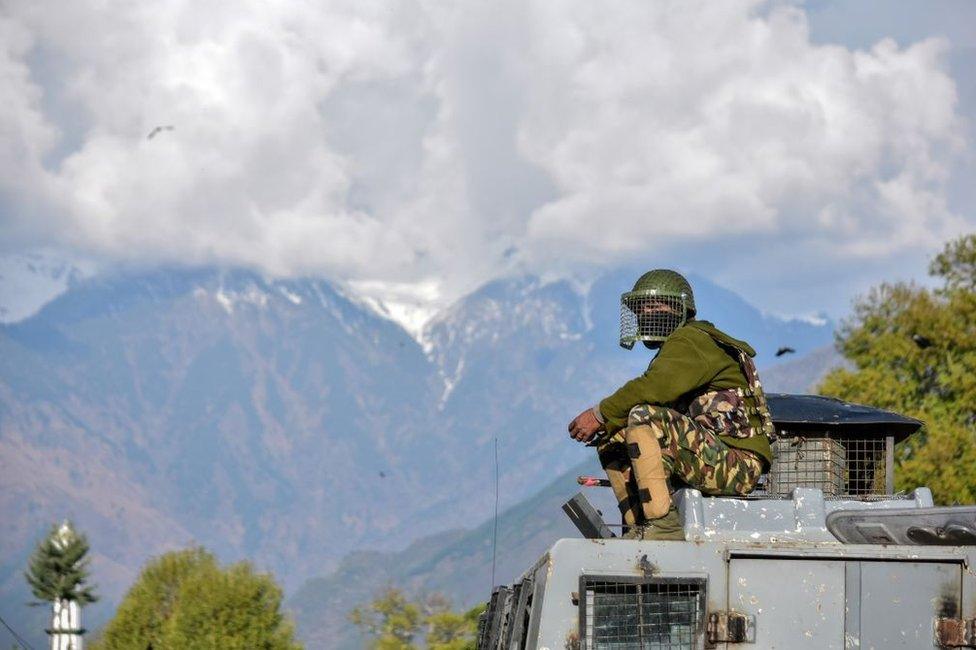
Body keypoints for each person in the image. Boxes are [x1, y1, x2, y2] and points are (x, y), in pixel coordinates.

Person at [567, 269, 775, 540]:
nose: (646, 314)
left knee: (643, 417)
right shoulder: (684, 345)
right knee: (613, 436)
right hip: (717, 459)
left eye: (655, 306)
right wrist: (608, 422)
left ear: (680, 309)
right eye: (641, 308)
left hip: (737, 465)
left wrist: (599, 414)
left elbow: (654, 388)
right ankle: (641, 526)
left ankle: (663, 526)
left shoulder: (691, 340)